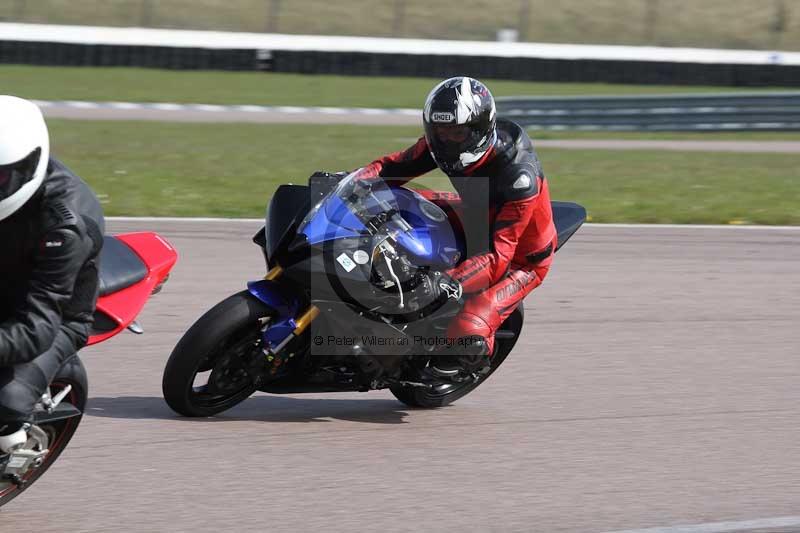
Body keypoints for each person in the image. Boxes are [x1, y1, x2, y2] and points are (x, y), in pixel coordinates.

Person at [353, 77, 556, 378]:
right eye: (440, 132)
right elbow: (391, 168)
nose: (447, 140)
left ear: (479, 129)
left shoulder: (518, 179)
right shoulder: (442, 144)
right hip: (475, 214)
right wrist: (351, 181)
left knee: (468, 328)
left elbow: (498, 257)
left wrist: (445, 283)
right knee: (395, 201)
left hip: (519, 258)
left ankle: (465, 360)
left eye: (456, 132)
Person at [0, 96, 104, 454]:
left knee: (7, 401)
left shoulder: (63, 226)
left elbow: (37, 327)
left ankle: (14, 446)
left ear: (29, 167)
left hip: (52, 316)